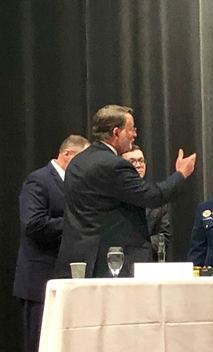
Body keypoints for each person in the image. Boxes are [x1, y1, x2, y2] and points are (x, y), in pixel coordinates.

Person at [54, 105, 196, 278]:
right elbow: (152, 197)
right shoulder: (113, 164)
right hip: (112, 261)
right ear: (116, 133)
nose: (135, 134)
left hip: (80, 258)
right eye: (131, 129)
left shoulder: (77, 162)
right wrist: (181, 175)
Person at [13, 135, 90, 352]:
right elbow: (33, 224)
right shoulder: (39, 180)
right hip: (40, 281)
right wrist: (75, 222)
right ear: (67, 154)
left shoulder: (78, 185)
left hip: (69, 278)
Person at [121, 145, 172, 260]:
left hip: (148, 262)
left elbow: (164, 237)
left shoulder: (156, 197)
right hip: (118, 261)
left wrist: (138, 248)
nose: (138, 165)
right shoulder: (112, 196)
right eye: (132, 161)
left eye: (141, 161)